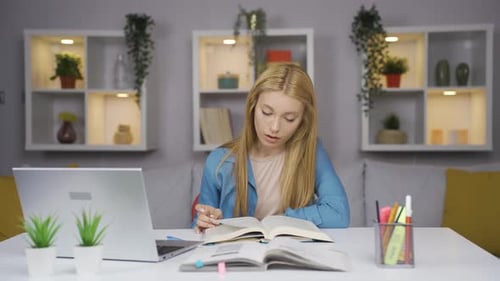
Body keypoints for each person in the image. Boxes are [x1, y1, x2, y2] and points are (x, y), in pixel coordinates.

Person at [194, 63, 349, 233]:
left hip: (291, 252)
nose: (275, 127)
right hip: (237, 255)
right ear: (253, 107)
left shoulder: (312, 152)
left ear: (303, 120)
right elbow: (199, 225)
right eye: (267, 113)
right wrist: (205, 221)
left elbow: (338, 214)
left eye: (289, 118)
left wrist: (280, 221)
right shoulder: (219, 160)